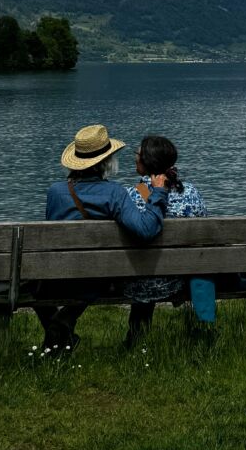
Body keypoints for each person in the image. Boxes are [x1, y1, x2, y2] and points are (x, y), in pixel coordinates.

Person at [36, 123, 169, 354]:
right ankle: (63, 324)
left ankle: (59, 327)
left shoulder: (55, 192)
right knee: (100, 271)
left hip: (56, 277)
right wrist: (157, 193)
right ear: (106, 162)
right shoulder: (115, 193)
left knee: (37, 287)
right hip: (97, 279)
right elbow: (146, 230)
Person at [122, 134, 207, 345]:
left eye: (138, 153)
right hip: (179, 279)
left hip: (140, 282)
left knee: (145, 269)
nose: (135, 156)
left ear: (146, 161)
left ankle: (136, 338)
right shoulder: (191, 192)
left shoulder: (131, 195)